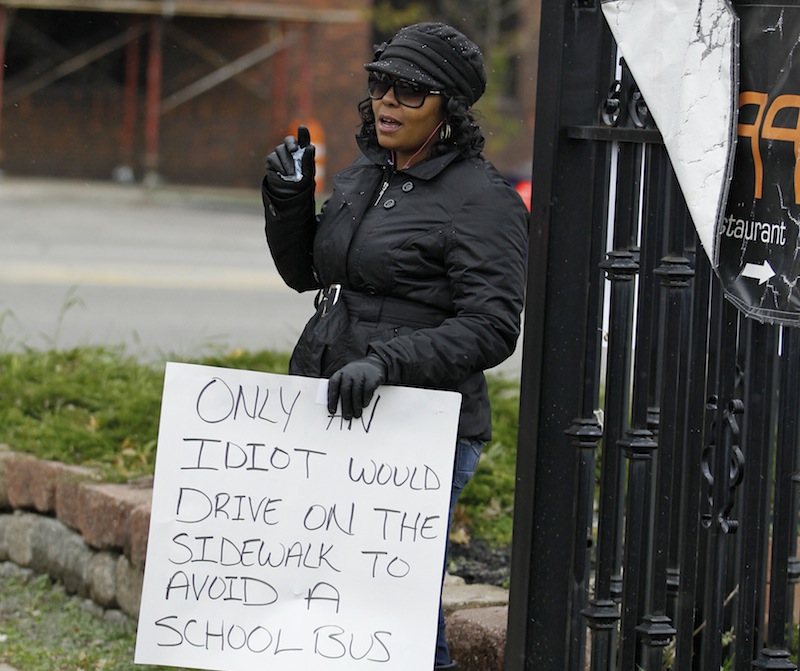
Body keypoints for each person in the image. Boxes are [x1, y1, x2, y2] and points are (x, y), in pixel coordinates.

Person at [262, 21, 528, 671]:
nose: (387, 101)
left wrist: (388, 360)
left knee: (391, 591)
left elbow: (493, 325)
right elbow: (309, 274)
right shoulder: (365, 175)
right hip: (337, 404)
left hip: (420, 423)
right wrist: (290, 200)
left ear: (449, 109)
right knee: (327, 576)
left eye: (410, 92)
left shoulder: (482, 201)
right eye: (381, 85)